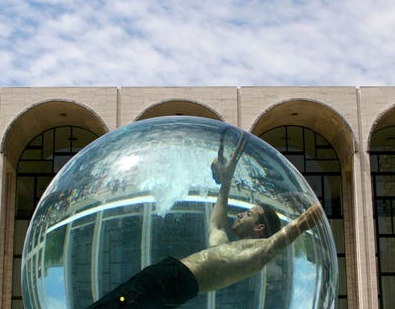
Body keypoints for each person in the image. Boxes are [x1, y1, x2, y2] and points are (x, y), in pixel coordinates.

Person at [87, 128, 325, 308]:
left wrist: (317, 206)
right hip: (168, 278)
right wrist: (226, 181)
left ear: (260, 228)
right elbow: (217, 224)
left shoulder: (259, 252)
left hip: (174, 281)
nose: (241, 213)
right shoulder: (227, 249)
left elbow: (297, 227)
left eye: (249, 214)